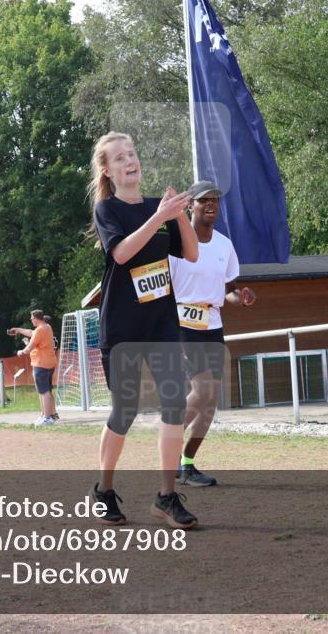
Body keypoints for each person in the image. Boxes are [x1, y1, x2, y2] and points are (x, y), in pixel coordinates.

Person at [88, 132, 199, 529]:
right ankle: (103, 489)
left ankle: (166, 497)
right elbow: (121, 253)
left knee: (174, 402)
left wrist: (180, 215)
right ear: (108, 170)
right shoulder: (109, 210)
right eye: (120, 157)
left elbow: (190, 253)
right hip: (123, 328)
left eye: (132, 154)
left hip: (162, 324)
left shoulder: (159, 208)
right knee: (126, 410)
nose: (129, 160)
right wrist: (160, 218)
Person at [169, 180, 258, 487]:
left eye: (216, 201)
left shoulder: (224, 245)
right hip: (182, 323)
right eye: (204, 200)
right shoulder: (175, 244)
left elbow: (229, 291)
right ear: (189, 206)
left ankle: (187, 464)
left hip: (213, 323)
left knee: (210, 401)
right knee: (203, 389)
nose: (211, 205)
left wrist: (241, 297)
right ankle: (168, 442)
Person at [11, 310, 58, 425]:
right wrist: (18, 330)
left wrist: (20, 352)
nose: (31, 320)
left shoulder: (39, 330)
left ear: (36, 318)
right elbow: (31, 332)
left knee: (44, 391)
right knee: (45, 391)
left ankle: (47, 418)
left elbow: (29, 348)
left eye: (31, 318)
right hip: (49, 363)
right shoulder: (47, 327)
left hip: (40, 363)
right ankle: (46, 415)